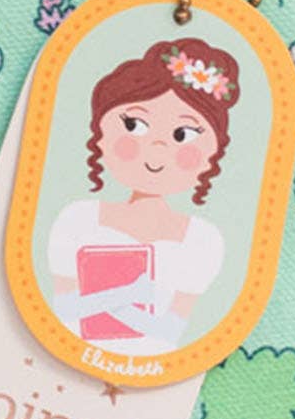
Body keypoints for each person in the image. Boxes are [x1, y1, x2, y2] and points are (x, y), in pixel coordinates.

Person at [46, 38, 239, 354]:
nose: (158, 147)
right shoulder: (78, 219)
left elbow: (171, 331)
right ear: (100, 135)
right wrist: (128, 295)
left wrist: (117, 302)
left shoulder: (200, 241)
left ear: (212, 155)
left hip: (154, 364)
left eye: (183, 135)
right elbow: (64, 312)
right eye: (134, 125)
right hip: (61, 356)